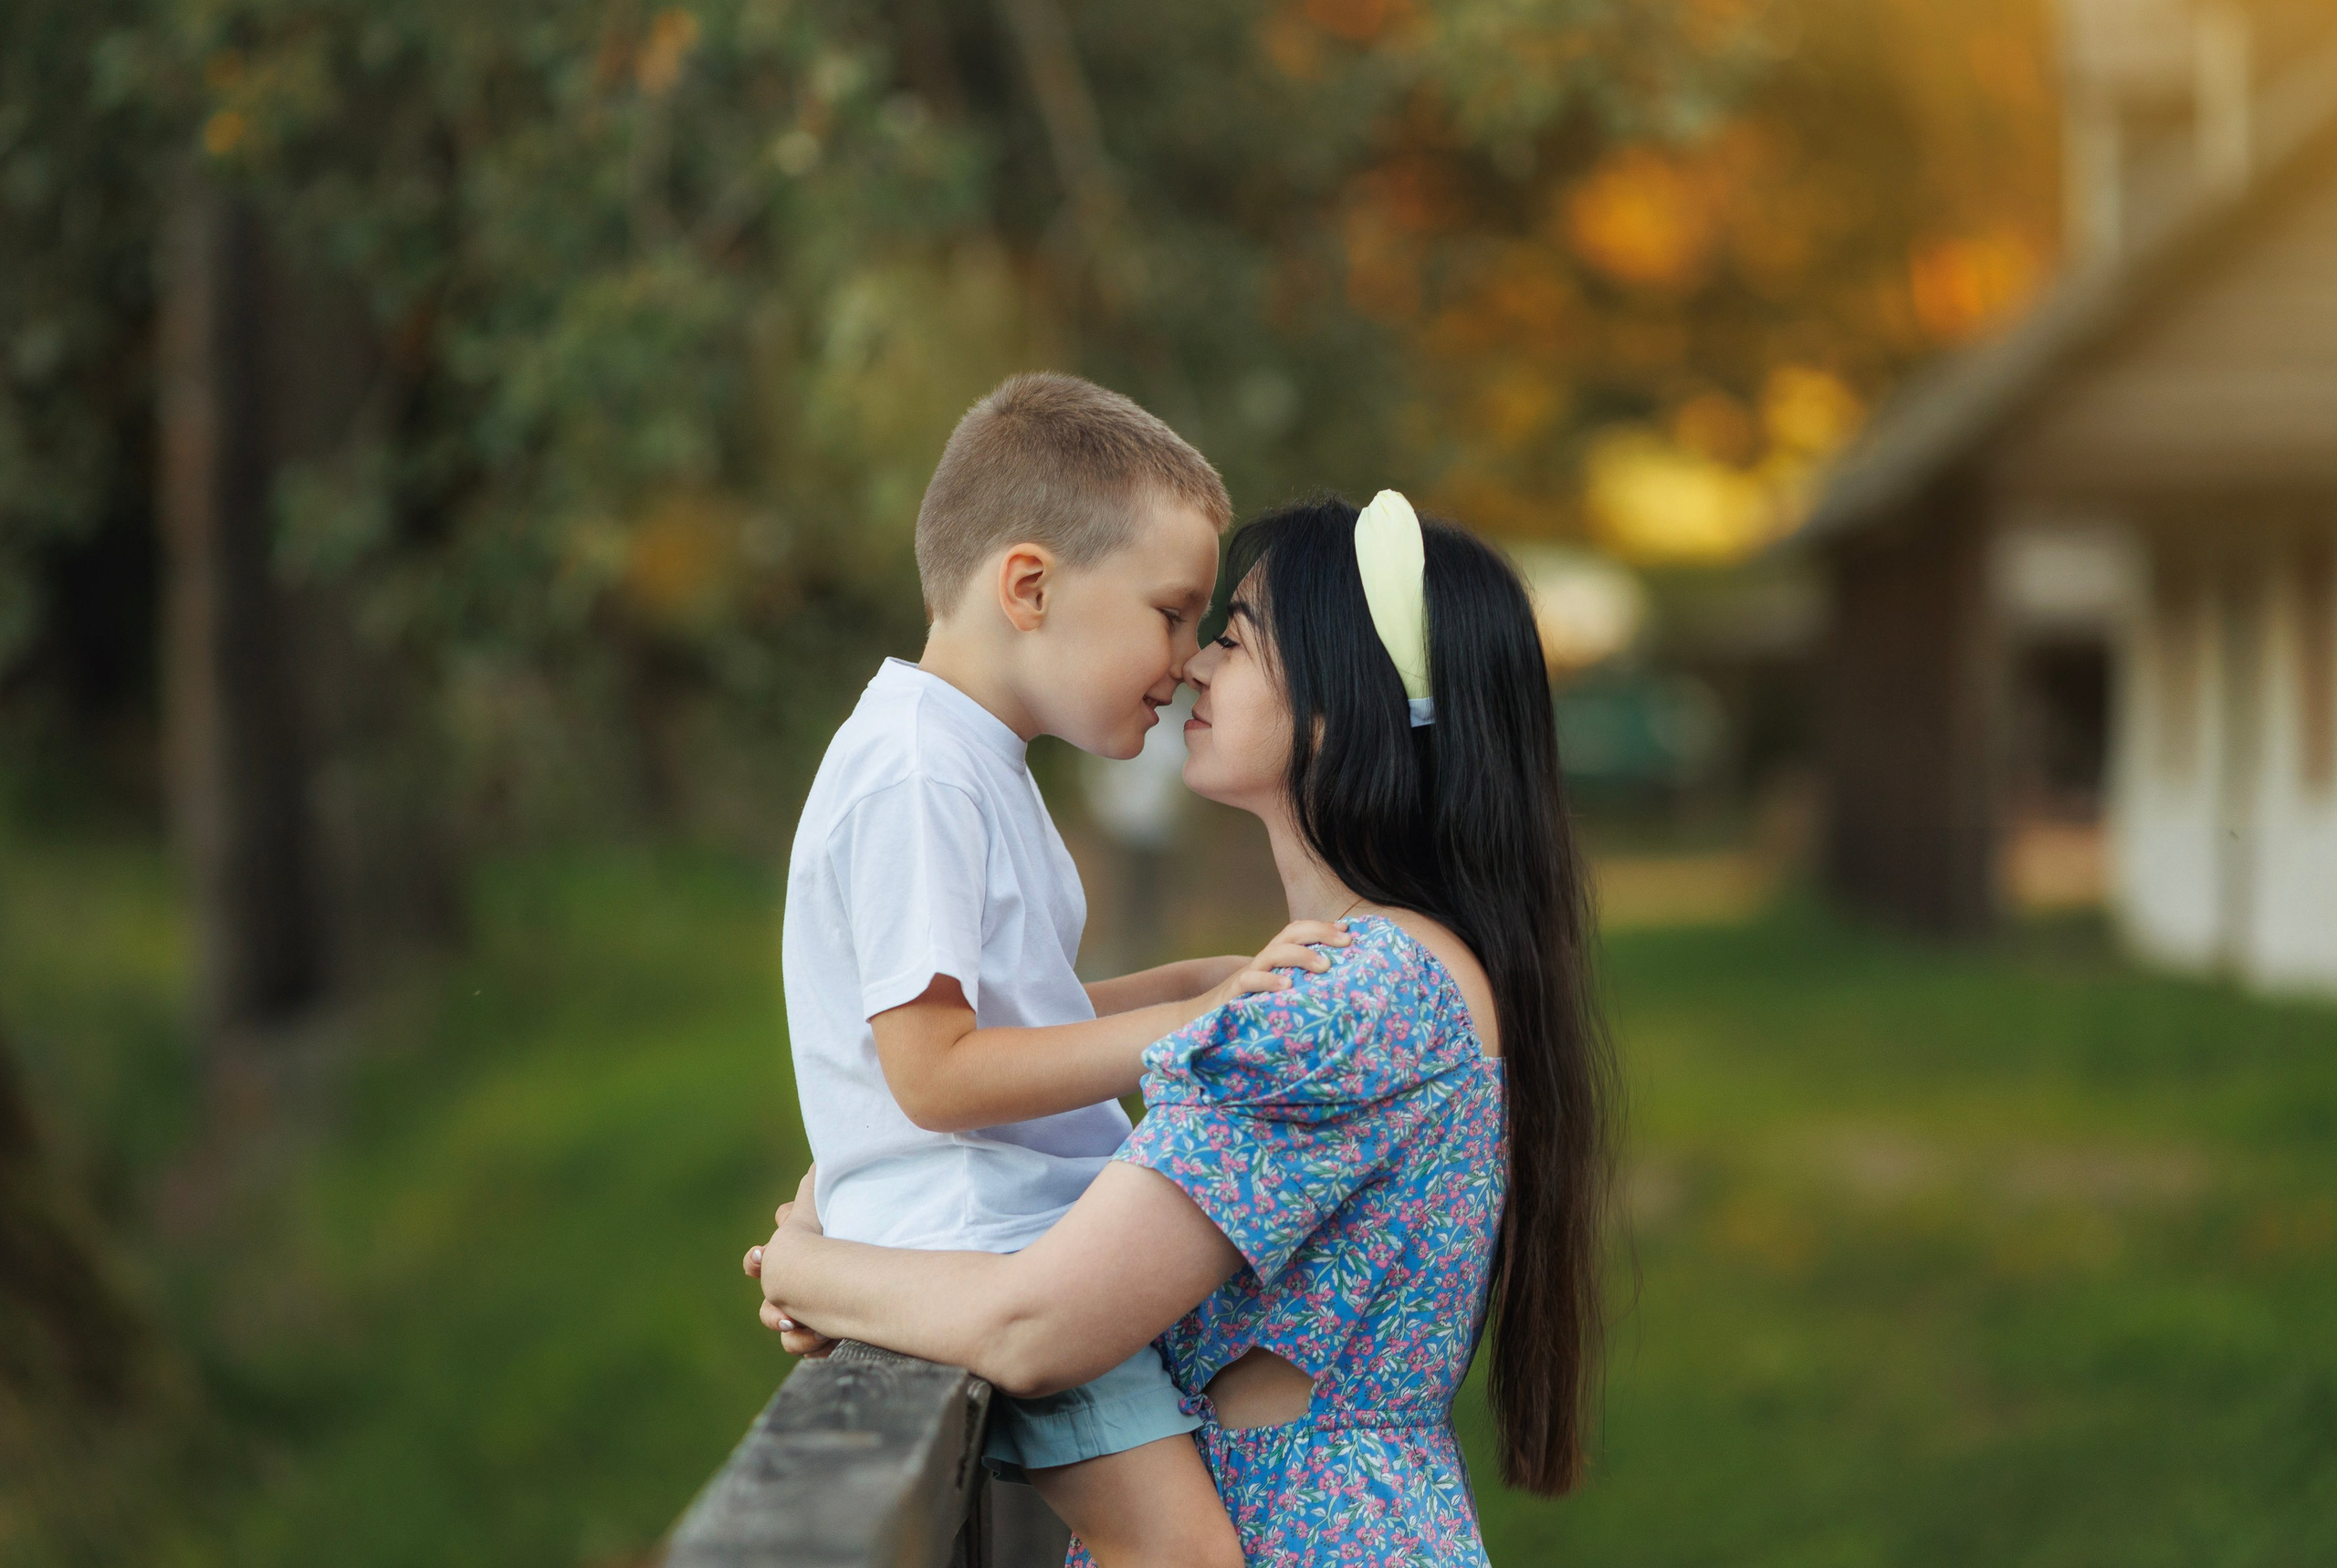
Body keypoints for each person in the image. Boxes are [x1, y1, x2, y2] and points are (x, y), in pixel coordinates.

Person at [749, 490, 1618, 1565]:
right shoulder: (1379, 976)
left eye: (1235, 637)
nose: (1196, 663)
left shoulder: (1349, 1008)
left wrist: (806, 1265)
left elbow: (1034, 1324)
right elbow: (1019, 1049)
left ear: (1337, 704)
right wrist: (862, 1181)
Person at [778, 371, 1340, 1568]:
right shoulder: (919, 773)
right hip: (990, 1244)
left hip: (1018, 1227)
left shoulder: (971, 760)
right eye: (1171, 612)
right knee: (1182, 1553)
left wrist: (1202, 981)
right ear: (1029, 587)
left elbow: (1018, 1018)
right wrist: (1189, 1019)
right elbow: (935, 1073)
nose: (1189, 659)